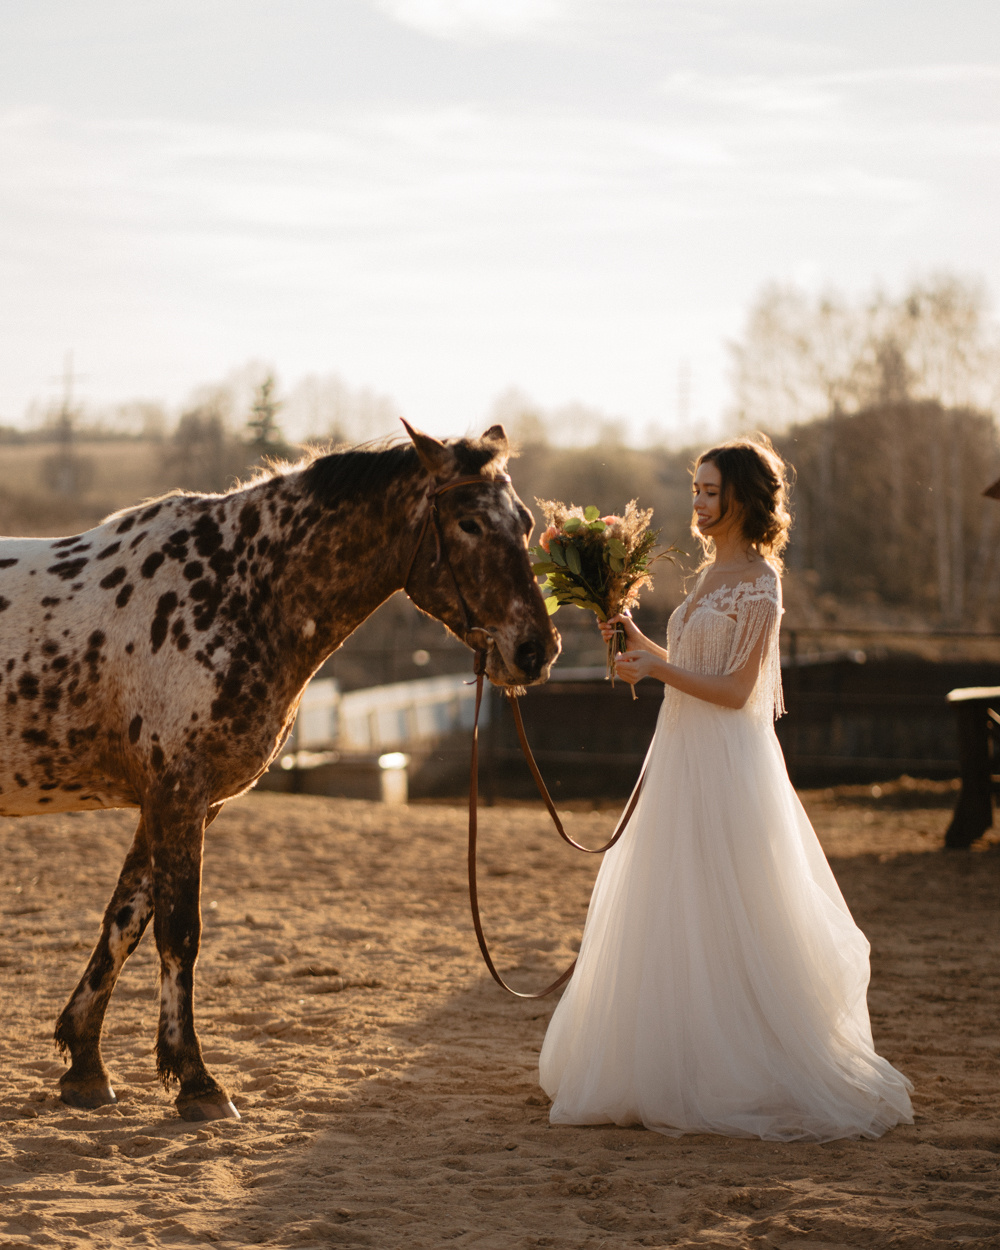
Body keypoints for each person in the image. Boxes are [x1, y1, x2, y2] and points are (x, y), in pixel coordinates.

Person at [538, 436, 913, 1142]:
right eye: (697, 490)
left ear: (743, 498)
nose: (700, 503)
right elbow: (693, 667)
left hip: (730, 766)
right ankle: (665, 1063)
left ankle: (740, 1068)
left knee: (732, 904)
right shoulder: (708, 574)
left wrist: (658, 671)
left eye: (712, 492)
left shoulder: (761, 582)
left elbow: (738, 691)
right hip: (681, 755)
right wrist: (640, 644)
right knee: (672, 900)